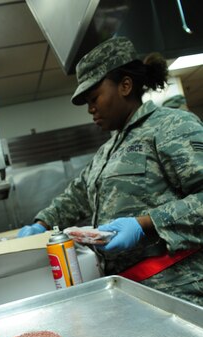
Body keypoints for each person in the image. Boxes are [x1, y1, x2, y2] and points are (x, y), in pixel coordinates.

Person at [18, 36, 203, 306]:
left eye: (94, 98)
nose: (91, 109)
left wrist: (144, 225)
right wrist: (41, 223)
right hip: (129, 292)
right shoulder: (108, 150)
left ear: (125, 85)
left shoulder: (171, 126)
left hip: (178, 291)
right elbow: (77, 194)